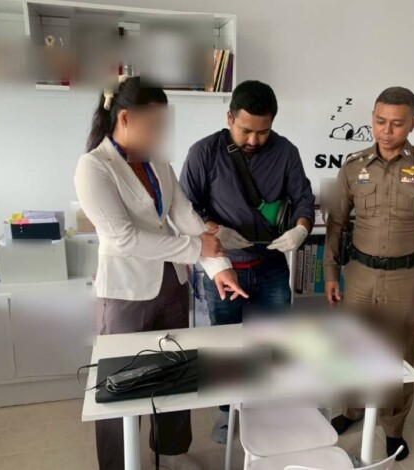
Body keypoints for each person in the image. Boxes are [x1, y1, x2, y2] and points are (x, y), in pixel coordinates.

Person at [74, 75, 247, 470]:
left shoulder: (157, 161)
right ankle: (119, 465)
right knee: (120, 384)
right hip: (125, 292)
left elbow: (184, 215)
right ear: (125, 118)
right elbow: (123, 238)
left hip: (171, 283)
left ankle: (171, 453)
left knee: (175, 372)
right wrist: (196, 248)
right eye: (153, 125)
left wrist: (219, 268)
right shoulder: (94, 167)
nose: (159, 134)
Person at [179, 80, 315, 443]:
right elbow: (185, 208)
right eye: (245, 130)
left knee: (272, 342)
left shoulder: (285, 152)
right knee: (227, 347)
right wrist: (215, 229)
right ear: (229, 118)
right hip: (223, 269)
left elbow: (303, 198)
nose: (254, 140)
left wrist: (301, 229)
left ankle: (268, 407)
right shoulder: (204, 153)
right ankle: (228, 413)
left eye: (263, 131)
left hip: (271, 267)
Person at [323, 86, 414, 461]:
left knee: (397, 357)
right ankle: (352, 409)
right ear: (372, 119)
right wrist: (330, 272)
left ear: (413, 123)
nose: (387, 130)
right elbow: (335, 224)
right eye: (380, 121)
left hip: (405, 278)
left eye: (397, 123)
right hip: (359, 275)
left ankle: (393, 428)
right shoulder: (353, 165)